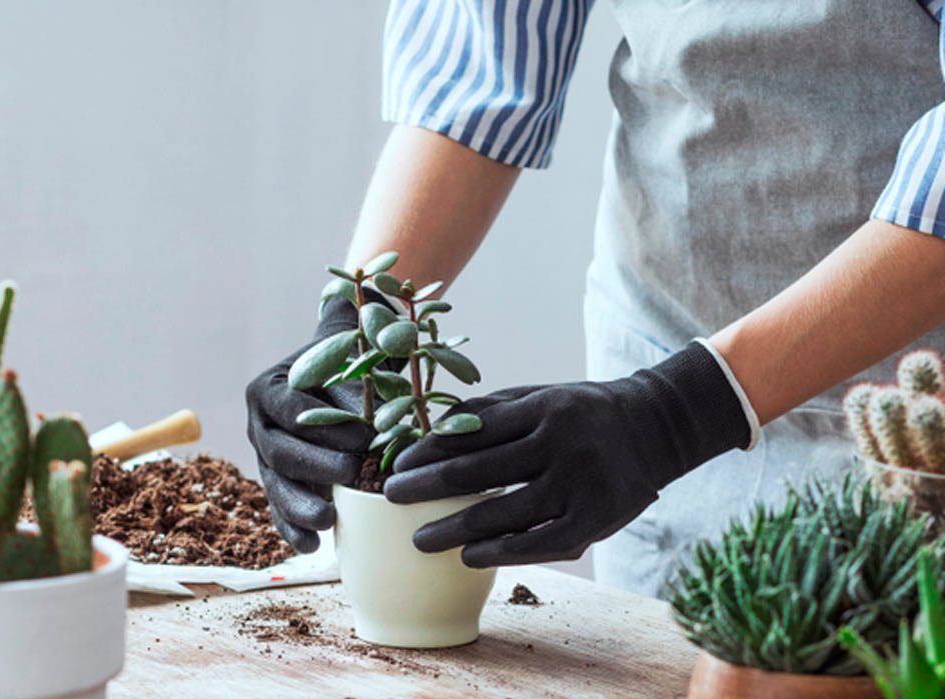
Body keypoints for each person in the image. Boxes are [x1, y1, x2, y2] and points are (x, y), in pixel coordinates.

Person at [246, 0, 945, 598]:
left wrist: (678, 413)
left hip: (921, 397)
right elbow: (479, 58)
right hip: (665, 332)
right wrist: (360, 320)